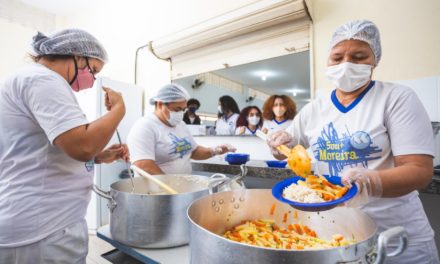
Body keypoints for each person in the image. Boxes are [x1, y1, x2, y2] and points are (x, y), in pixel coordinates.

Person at [268, 20, 439, 263]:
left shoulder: (396, 99)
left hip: (395, 238)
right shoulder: (314, 109)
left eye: (358, 56)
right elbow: (286, 150)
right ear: (328, 61)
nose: (346, 64)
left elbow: (420, 171)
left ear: (375, 60)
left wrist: (369, 182)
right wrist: (277, 143)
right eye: (337, 58)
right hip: (336, 235)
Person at [0, 29, 129, 263]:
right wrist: (119, 110)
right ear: (78, 56)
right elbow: (82, 146)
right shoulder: (41, 79)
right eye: (93, 71)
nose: (91, 81)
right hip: (41, 231)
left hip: (45, 224)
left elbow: (43, 150)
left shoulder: (36, 80)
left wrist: (100, 156)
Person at [127, 84, 236, 175]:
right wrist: (171, 186)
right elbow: (143, 165)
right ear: (160, 104)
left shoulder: (181, 125)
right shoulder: (145, 126)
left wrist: (214, 150)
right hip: (157, 193)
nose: (180, 114)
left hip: (181, 189)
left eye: (183, 110)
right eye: (177, 109)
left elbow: (194, 151)